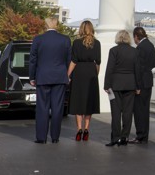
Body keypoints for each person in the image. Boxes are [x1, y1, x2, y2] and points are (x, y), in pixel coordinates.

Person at [29, 16, 71, 144]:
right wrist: (68, 76)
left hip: (43, 77)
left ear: (46, 25)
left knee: (42, 108)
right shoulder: (65, 40)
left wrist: (32, 77)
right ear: (56, 25)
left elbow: (33, 60)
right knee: (57, 108)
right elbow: (69, 59)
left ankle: (41, 138)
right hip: (59, 77)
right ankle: (55, 137)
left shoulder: (38, 39)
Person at [104, 30, 142, 147]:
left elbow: (109, 69)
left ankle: (115, 138)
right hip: (130, 85)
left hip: (116, 85)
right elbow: (137, 70)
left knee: (116, 113)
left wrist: (106, 85)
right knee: (127, 112)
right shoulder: (134, 51)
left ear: (118, 38)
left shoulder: (113, 51)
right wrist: (138, 86)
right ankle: (124, 137)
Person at [67, 20, 101, 141]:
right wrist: (95, 74)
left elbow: (73, 60)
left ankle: (79, 130)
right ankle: (86, 129)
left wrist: (68, 74)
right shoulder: (97, 43)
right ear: (91, 29)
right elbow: (98, 62)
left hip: (79, 72)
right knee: (89, 101)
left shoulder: (76, 43)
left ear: (81, 29)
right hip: (91, 72)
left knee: (78, 101)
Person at [131, 27, 155, 144]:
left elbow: (138, 68)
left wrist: (137, 86)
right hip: (148, 81)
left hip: (141, 82)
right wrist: (148, 69)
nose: (134, 40)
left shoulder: (140, 48)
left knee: (138, 110)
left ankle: (140, 135)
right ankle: (144, 135)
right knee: (145, 109)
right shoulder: (150, 45)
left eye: (134, 37)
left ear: (137, 36)